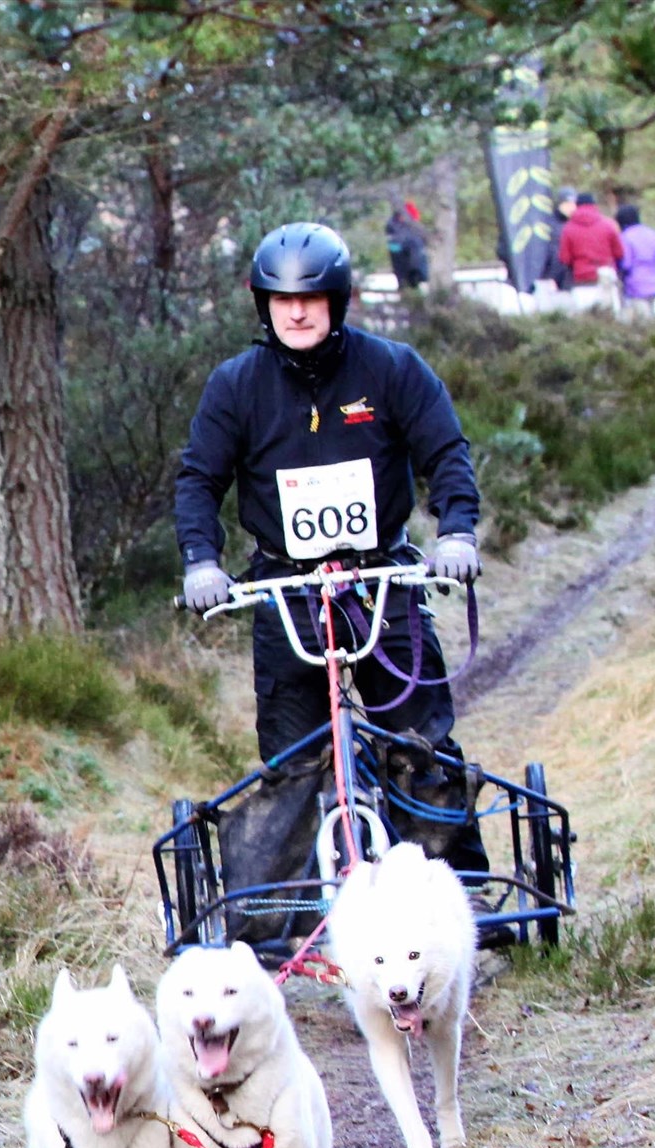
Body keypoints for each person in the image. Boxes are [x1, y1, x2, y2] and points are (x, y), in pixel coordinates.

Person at [174, 220, 488, 879]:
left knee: (419, 745)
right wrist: (202, 560)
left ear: (336, 303)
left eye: (310, 300)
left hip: (383, 582)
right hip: (285, 589)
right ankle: (280, 911)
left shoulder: (393, 369)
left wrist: (456, 531)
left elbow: (446, 456)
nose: (296, 312)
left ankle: (459, 889)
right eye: (282, 300)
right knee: (293, 759)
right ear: (264, 305)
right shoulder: (236, 386)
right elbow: (199, 480)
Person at [557, 191, 624, 312]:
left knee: (585, 323)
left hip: (582, 282)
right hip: (606, 279)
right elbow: (619, 253)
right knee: (609, 321)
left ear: (577, 206)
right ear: (594, 205)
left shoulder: (568, 228)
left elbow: (564, 258)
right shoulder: (608, 225)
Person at [615, 203, 655, 319]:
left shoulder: (625, 237)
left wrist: (621, 279)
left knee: (643, 323)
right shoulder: (654, 234)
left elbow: (626, 264)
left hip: (635, 288)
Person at [384, 201, 429, 291]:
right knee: (403, 275)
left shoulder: (412, 227)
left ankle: (413, 283)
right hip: (400, 256)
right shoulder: (393, 226)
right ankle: (407, 286)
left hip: (413, 265)